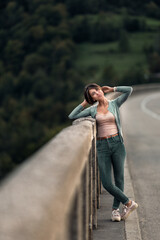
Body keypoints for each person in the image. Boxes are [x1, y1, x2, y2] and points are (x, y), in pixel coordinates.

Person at [68, 83, 139, 222]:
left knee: (119, 179)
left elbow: (129, 90)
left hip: (117, 143)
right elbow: (72, 115)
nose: (97, 93)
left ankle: (115, 211)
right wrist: (84, 103)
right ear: (92, 98)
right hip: (102, 146)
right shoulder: (92, 110)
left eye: (97, 90)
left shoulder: (114, 103)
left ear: (102, 90)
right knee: (106, 182)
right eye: (93, 93)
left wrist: (112, 89)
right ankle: (128, 203)